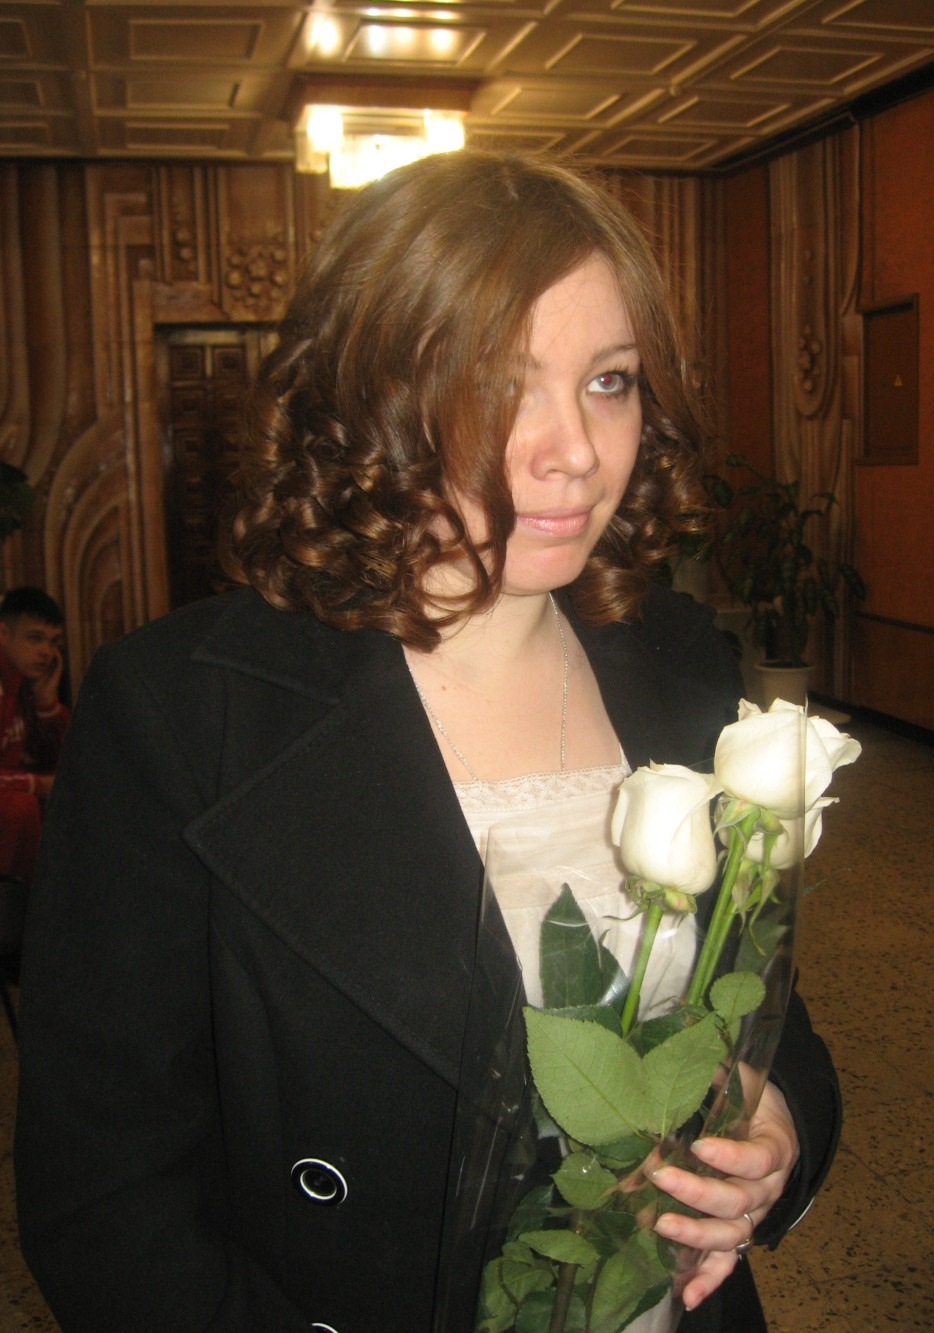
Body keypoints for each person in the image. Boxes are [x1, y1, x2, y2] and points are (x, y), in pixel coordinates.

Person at [14, 151, 840, 1332]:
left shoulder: (677, 664)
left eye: (608, 381)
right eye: (498, 384)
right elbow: (106, 1193)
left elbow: (763, 1008)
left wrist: (778, 1128)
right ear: (370, 401)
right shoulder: (181, 713)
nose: (574, 448)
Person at [0, 586, 69, 884]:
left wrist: (46, 702)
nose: (46, 652)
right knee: (21, 808)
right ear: (3, 633)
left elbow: (65, 764)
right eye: (35, 638)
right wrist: (36, 784)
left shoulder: (25, 683)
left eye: (53, 642)